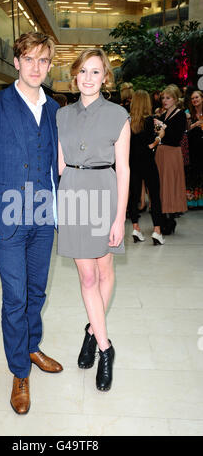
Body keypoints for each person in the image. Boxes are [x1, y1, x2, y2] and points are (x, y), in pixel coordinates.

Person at [0, 32, 63, 415]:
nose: (36, 67)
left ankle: (32, 345)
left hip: (43, 215)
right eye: (30, 59)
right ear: (17, 62)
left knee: (37, 291)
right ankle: (19, 370)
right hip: (6, 216)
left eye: (43, 61)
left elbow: (58, 164)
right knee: (15, 297)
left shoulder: (57, 109)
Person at [57, 49, 130, 392]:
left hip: (105, 193)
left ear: (106, 78)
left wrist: (120, 218)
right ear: (75, 75)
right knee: (87, 278)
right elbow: (58, 166)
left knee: (104, 273)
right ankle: (105, 348)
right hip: (73, 194)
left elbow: (125, 169)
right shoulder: (61, 115)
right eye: (83, 71)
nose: (88, 77)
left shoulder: (119, 115)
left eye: (96, 72)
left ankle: (90, 332)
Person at [128, 90, 165, 245]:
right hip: (148, 162)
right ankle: (157, 230)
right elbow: (149, 145)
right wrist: (159, 137)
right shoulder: (150, 121)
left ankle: (136, 228)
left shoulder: (128, 121)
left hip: (132, 163)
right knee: (155, 195)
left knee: (134, 196)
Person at [154, 85, 188, 234]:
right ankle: (164, 218)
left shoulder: (180, 115)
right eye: (163, 98)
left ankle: (170, 218)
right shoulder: (164, 114)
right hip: (161, 153)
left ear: (175, 99)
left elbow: (175, 137)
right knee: (161, 185)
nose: (164, 100)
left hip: (171, 153)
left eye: (168, 98)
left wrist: (162, 125)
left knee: (169, 185)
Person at [186, 90, 203, 208]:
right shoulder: (187, 113)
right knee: (193, 173)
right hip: (193, 148)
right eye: (192, 98)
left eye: (196, 97)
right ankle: (192, 202)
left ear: (202, 98)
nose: (194, 100)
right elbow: (184, 130)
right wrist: (194, 124)